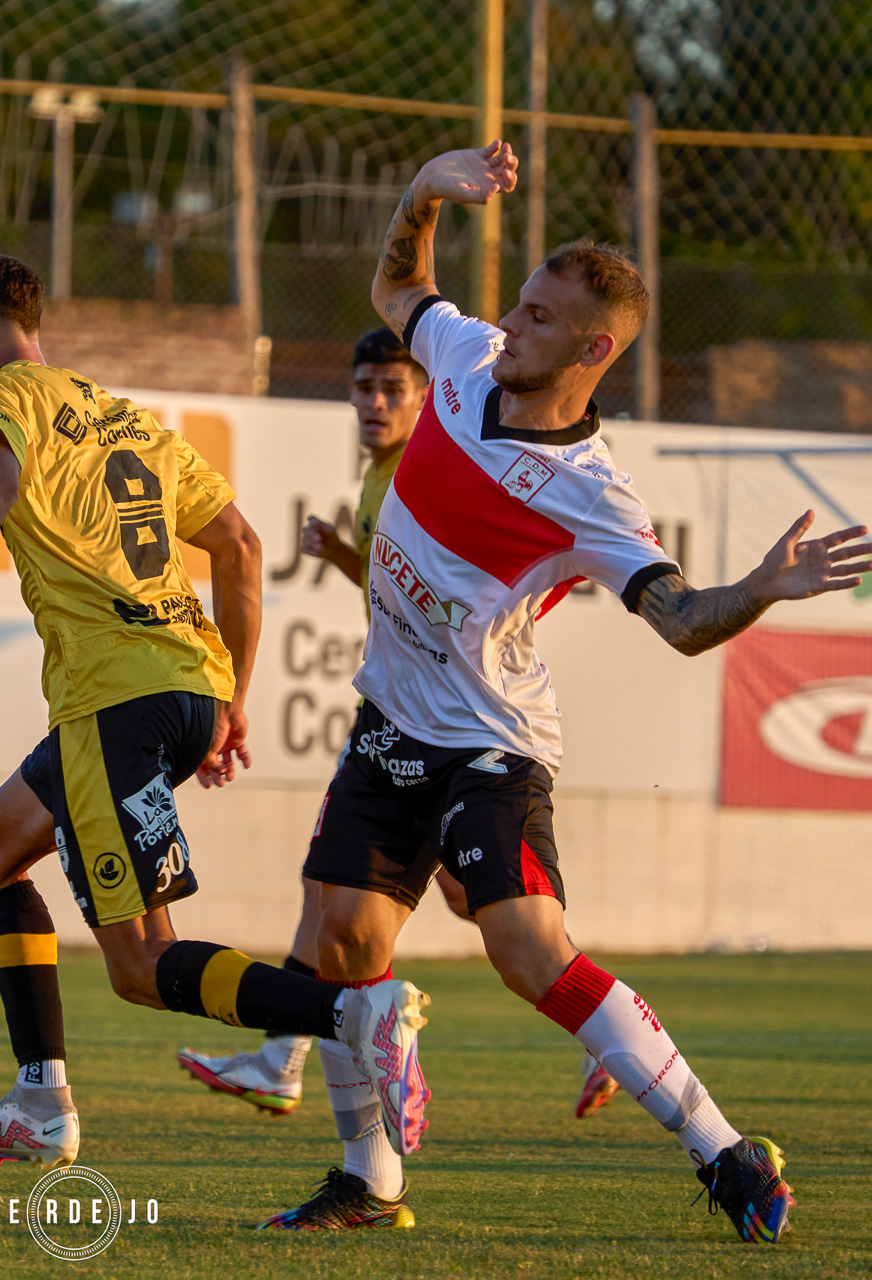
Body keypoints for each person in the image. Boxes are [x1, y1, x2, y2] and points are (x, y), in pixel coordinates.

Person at [261, 139, 869, 1240]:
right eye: (520, 300)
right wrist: (422, 196)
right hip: (390, 721)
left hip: (489, 742)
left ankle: (724, 1152)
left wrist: (761, 588)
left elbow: (681, 621)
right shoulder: (460, 353)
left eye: (540, 318)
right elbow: (398, 285)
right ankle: (367, 1181)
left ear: (592, 348)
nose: (512, 323)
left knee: (528, 947)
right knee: (344, 943)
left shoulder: (590, 491)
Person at [0, 253, 427, 1170]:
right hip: (182, 688)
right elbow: (239, 543)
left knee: (143, 967)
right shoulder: (128, 419)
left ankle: (355, 1011)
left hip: (113, 701)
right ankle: (39, 1104)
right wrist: (229, 698)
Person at [178, 331, 620, 1130]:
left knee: (390, 896)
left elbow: (463, 600)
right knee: (391, 895)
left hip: (444, 724)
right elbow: (405, 597)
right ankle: (291, 1056)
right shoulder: (381, 478)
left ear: (426, 396)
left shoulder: (428, 472)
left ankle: (295, 1056)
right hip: (405, 708)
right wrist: (351, 558)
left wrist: (355, 558)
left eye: (391, 388)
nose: (373, 403)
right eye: (363, 388)